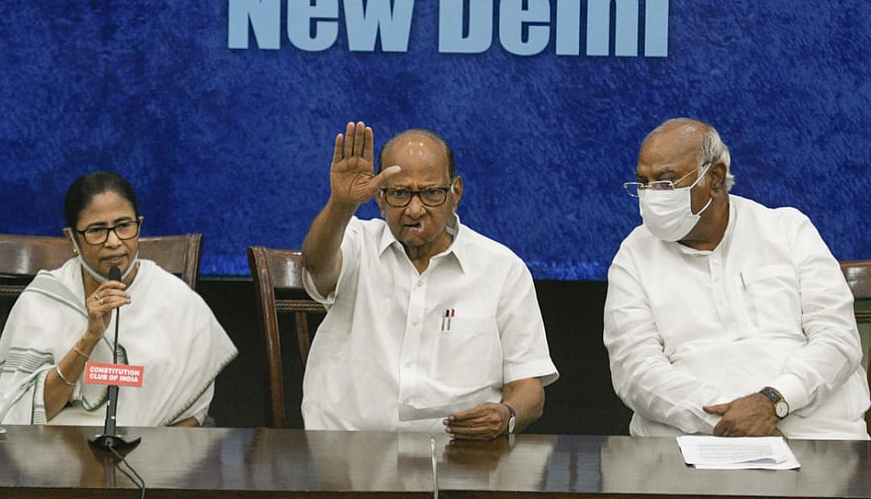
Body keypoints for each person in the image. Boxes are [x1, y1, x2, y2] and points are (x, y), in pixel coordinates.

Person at [604, 118, 869, 440]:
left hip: (814, 437)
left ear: (714, 177)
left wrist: (774, 401)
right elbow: (635, 370)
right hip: (691, 444)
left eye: (666, 181)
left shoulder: (787, 229)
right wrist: (729, 422)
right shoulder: (634, 253)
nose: (651, 195)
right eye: (643, 183)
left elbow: (838, 340)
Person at [300, 121, 558, 439]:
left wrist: (506, 415)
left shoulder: (502, 268)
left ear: (455, 193)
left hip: (461, 460)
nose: (415, 209)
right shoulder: (355, 242)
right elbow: (316, 264)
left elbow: (529, 388)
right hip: (346, 454)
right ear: (379, 198)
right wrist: (342, 204)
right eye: (399, 193)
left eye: (432, 193)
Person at [0, 171, 238, 426]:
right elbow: (16, 417)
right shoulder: (43, 299)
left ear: (139, 224)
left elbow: (193, 412)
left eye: (124, 226)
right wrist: (89, 339)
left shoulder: (178, 301)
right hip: (57, 456)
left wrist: (153, 460)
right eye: (97, 230)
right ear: (72, 238)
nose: (114, 241)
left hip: (148, 458)